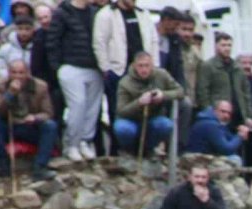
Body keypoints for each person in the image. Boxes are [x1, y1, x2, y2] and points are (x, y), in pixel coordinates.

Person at [92, 0, 157, 155]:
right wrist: (106, 68)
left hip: (142, 72)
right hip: (118, 71)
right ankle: (116, 149)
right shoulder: (106, 14)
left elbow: (153, 41)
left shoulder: (143, 14)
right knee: (117, 111)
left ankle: (141, 148)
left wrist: (154, 65)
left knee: (144, 109)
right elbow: (99, 42)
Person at [0, 59, 57, 180]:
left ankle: (40, 167)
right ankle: (2, 164)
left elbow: (48, 113)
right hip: (9, 125)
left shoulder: (40, 86)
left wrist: (35, 117)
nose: (17, 76)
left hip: (29, 126)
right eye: (14, 72)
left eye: (21, 73)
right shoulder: (0, 85)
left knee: (50, 126)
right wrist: (10, 94)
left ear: (27, 73)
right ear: (9, 73)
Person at [47, 0, 102, 162]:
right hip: (70, 66)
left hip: (94, 67)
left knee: (92, 108)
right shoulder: (62, 13)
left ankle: (85, 141)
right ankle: (72, 143)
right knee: (78, 105)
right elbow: (52, 41)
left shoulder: (95, 13)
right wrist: (58, 67)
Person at [113, 50, 182, 154]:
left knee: (166, 125)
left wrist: (163, 95)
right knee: (122, 128)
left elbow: (180, 91)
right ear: (135, 66)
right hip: (130, 120)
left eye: (147, 65)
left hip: (153, 118)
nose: (144, 69)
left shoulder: (161, 74)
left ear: (152, 65)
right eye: (140, 66)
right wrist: (139, 102)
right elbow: (121, 111)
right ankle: (129, 151)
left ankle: (149, 149)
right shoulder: (125, 83)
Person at [196, 32, 252, 130]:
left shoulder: (237, 67)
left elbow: (246, 93)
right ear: (216, 46)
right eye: (223, 45)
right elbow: (203, 91)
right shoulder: (208, 66)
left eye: (229, 45)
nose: (227, 48)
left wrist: (249, 115)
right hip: (218, 114)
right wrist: (209, 112)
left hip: (238, 113)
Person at [156, 164, 229, 209]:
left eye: (203, 177)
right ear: (190, 177)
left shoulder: (213, 190)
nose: (200, 180)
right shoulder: (177, 192)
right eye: (197, 177)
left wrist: (207, 201)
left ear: (208, 178)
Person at [187, 99, 248, 164]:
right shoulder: (210, 125)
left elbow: (229, 139)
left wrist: (239, 133)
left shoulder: (215, 122)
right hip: (198, 161)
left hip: (205, 158)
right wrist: (240, 136)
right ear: (214, 110)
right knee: (235, 159)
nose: (226, 116)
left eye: (229, 113)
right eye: (223, 111)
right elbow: (226, 149)